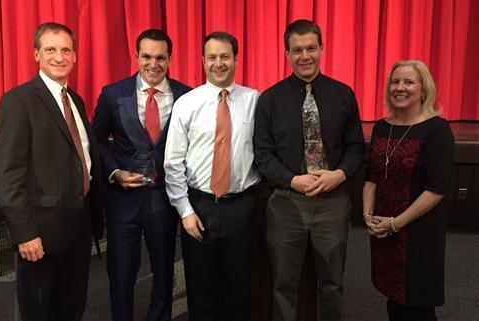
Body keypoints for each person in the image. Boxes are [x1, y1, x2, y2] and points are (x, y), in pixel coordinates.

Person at [253, 19, 365, 321]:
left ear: (322, 48)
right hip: (287, 202)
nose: (305, 56)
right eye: (297, 50)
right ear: (287, 54)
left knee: (332, 283)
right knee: (283, 284)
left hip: (333, 202)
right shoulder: (269, 100)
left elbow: (356, 147)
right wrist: (293, 180)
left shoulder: (343, 95)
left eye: (311, 48)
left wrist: (338, 175)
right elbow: (262, 156)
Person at [0, 22, 104, 321]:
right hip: (39, 235)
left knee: (70, 309)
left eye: (66, 50)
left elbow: (82, 158)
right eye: (50, 49)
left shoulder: (76, 101)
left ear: (75, 56)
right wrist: (24, 233)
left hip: (78, 228)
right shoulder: (18, 101)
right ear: (36, 55)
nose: (59, 57)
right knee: (35, 313)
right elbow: (8, 175)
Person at [91, 29, 191, 321]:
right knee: (121, 273)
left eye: (161, 57)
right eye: (146, 56)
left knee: (163, 273)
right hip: (123, 200)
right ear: (136, 57)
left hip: (164, 199)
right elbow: (95, 141)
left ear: (170, 59)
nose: (153, 63)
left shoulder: (187, 95)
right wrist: (114, 172)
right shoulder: (112, 94)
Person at [164, 31, 260, 321]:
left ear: (236, 59)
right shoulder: (187, 104)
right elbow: (173, 162)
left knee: (240, 288)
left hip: (241, 207)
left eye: (225, 56)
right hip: (199, 208)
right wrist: (184, 211)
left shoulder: (255, 100)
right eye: (212, 57)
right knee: (201, 290)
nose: (219, 63)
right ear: (203, 61)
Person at [363, 60, 454, 321]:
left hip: (418, 232)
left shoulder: (437, 129)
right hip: (384, 228)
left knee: (418, 304)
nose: (400, 88)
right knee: (394, 298)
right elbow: (372, 177)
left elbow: (437, 189)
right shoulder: (382, 126)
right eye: (395, 81)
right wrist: (368, 214)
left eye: (409, 82)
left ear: (424, 90)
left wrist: (396, 223)